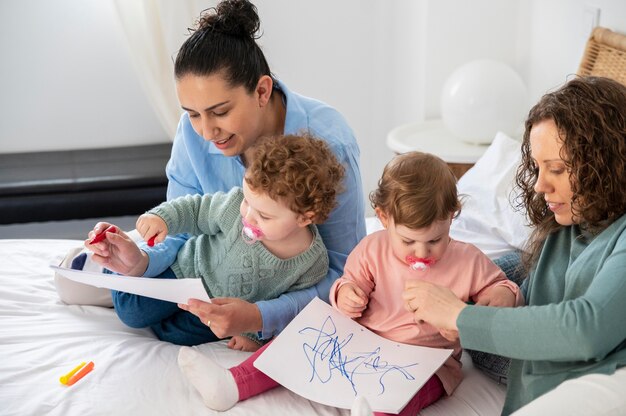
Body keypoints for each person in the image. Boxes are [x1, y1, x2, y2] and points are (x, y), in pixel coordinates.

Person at [56, 0, 366, 344]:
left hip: (269, 286)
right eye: (192, 113)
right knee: (134, 307)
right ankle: (112, 273)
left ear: (262, 91)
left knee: (184, 329)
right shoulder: (192, 132)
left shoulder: (330, 145)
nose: (205, 131)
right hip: (205, 260)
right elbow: (182, 229)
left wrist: (260, 317)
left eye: (220, 111)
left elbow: (343, 273)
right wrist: (142, 261)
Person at [175, 151, 523, 414]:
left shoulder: (467, 259)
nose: (422, 252)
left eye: (435, 240)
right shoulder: (373, 248)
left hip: (426, 361)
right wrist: (348, 296)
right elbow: (345, 284)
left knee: (406, 394)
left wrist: (501, 297)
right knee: (298, 338)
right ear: (384, 219)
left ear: (451, 218)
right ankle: (233, 383)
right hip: (361, 343)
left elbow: (502, 286)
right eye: (408, 241)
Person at [402, 76, 626, 415]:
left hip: (574, 372)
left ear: (606, 164)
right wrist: (501, 289)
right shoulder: (572, 224)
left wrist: (460, 316)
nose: (539, 185)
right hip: (526, 346)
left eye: (557, 169)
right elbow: (526, 276)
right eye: (537, 167)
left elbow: (585, 327)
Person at [102, 134, 343, 349]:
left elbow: (281, 306)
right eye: (248, 202)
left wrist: (254, 336)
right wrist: (163, 218)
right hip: (185, 271)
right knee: (132, 312)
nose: (248, 216)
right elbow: (196, 210)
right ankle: (113, 261)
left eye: (264, 216)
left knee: (176, 337)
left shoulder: (312, 263)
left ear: (305, 217)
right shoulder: (233, 208)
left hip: (217, 307)